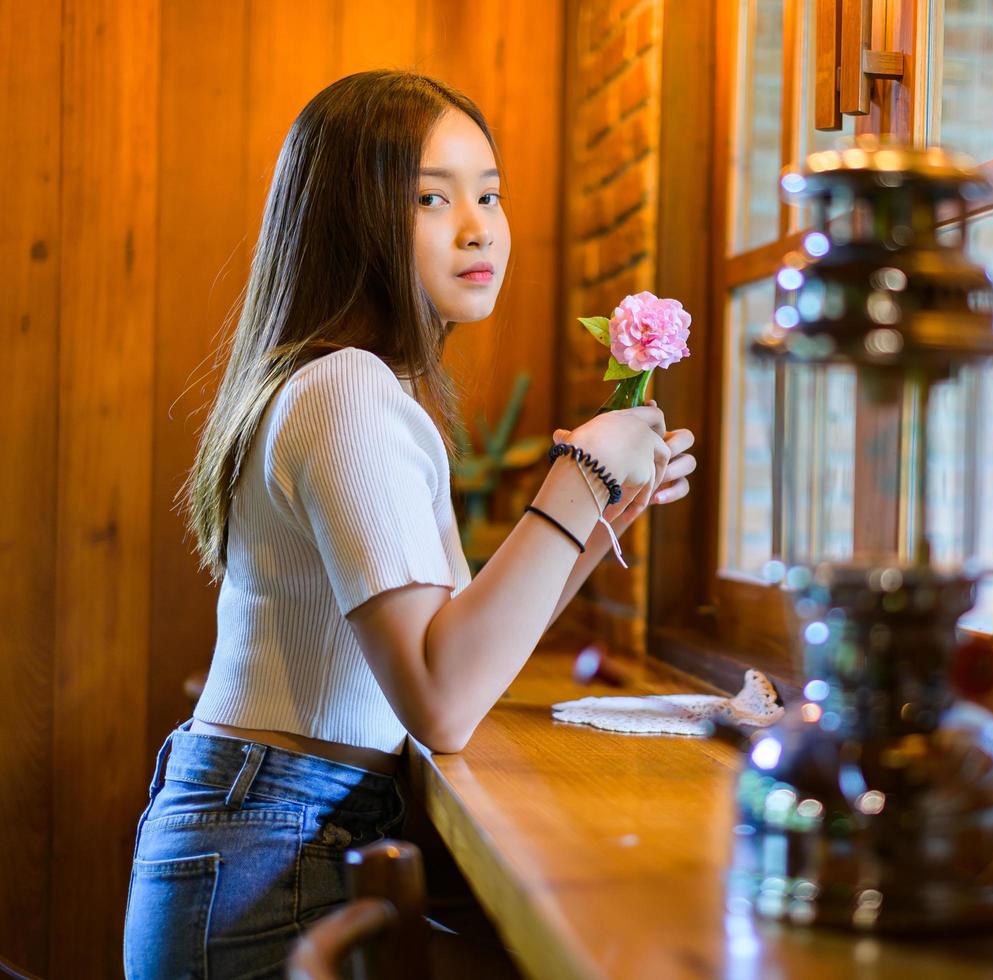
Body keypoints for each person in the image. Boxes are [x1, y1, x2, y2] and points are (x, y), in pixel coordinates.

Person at [122, 69, 695, 978]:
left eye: (490, 193)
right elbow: (443, 700)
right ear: (350, 219)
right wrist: (577, 480)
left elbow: (458, 646)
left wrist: (599, 513)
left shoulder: (346, 384)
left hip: (272, 834)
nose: (479, 226)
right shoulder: (346, 389)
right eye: (431, 197)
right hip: (273, 851)